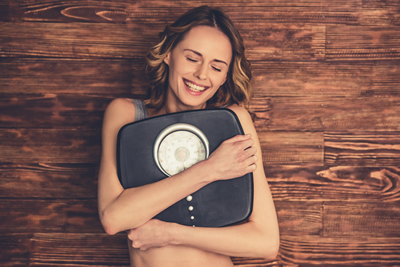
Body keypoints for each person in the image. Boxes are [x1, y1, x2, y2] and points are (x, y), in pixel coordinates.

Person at [98, 5, 279, 267]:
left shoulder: (235, 121)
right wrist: (209, 170)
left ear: (224, 77)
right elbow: (113, 218)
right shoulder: (126, 115)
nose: (202, 74)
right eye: (193, 59)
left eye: (216, 67)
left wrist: (171, 234)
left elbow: (266, 243)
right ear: (169, 54)